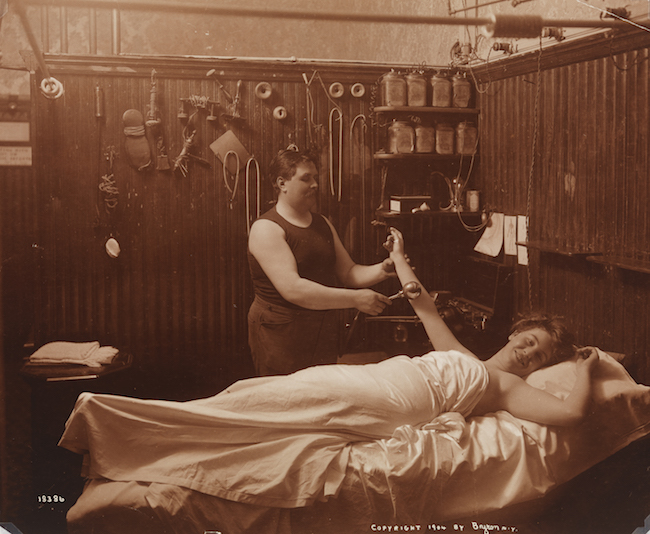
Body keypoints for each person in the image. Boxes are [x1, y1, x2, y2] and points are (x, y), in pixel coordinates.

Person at [59, 229, 599, 512]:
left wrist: (587, 366)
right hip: (371, 379)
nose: (528, 352)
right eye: (529, 340)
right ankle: (119, 433)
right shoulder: (461, 351)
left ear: (539, 367)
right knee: (255, 397)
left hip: (392, 404)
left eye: (539, 355)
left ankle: (120, 435)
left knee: (272, 419)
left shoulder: (506, 388)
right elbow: (418, 299)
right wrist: (400, 253)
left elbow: (572, 414)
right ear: (515, 332)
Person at [247, 147, 395, 376]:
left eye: (315, 177)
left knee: (321, 396)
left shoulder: (322, 223)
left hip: (320, 330)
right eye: (306, 178)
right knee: (286, 402)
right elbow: (294, 290)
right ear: (282, 183)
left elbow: (349, 272)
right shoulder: (266, 228)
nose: (315, 184)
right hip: (281, 333)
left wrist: (384, 269)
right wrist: (355, 299)